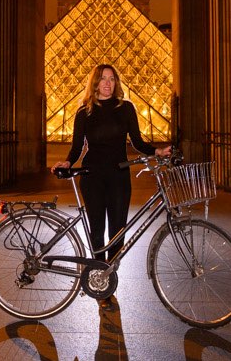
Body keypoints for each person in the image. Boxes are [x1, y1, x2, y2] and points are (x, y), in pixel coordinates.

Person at [51, 64, 171, 310]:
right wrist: (67, 161)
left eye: (112, 79)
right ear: (95, 83)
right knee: (97, 230)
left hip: (119, 176)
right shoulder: (83, 112)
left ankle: (108, 276)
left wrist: (157, 151)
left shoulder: (126, 108)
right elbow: (76, 148)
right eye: (103, 79)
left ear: (116, 83)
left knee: (118, 230)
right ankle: (100, 286)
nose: (107, 83)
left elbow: (138, 141)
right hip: (92, 176)